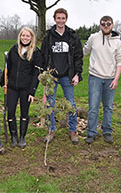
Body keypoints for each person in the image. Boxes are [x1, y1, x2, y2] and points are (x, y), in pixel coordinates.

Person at [41, 8, 83, 144]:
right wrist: (45, 72)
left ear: (66, 19)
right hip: (52, 76)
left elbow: (78, 57)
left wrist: (77, 74)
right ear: (54, 19)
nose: (60, 20)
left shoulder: (72, 35)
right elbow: (43, 55)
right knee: (50, 104)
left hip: (67, 75)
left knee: (71, 103)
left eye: (63, 18)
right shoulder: (49, 36)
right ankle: (51, 130)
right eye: (58, 18)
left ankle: (72, 130)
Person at [83, 15, 121, 144]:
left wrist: (116, 79)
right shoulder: (93, 38)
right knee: (93, 107)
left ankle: (107, 131)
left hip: (110, 78)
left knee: (108, 107)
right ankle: (91, 132)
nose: (106, 26)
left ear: (112, 25)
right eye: (103, 24)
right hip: (95, 77)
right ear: (100, 25)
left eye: (108, 24)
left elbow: (120, 61)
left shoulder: (118, 41)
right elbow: (83, 52)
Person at [1, 27, 42, 148]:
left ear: (31, 38)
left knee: (24, 112)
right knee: (11, 112)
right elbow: (7, 68)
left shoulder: (35, 52)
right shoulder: (14, 50)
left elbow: (36, 74)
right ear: (20, 37)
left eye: (27, 36)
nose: (25, 38)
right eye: (23, 35)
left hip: (26, 88)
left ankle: (22, 137)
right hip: (12, 87)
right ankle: (14, 136)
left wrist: (32, 92)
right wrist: (3, 82)